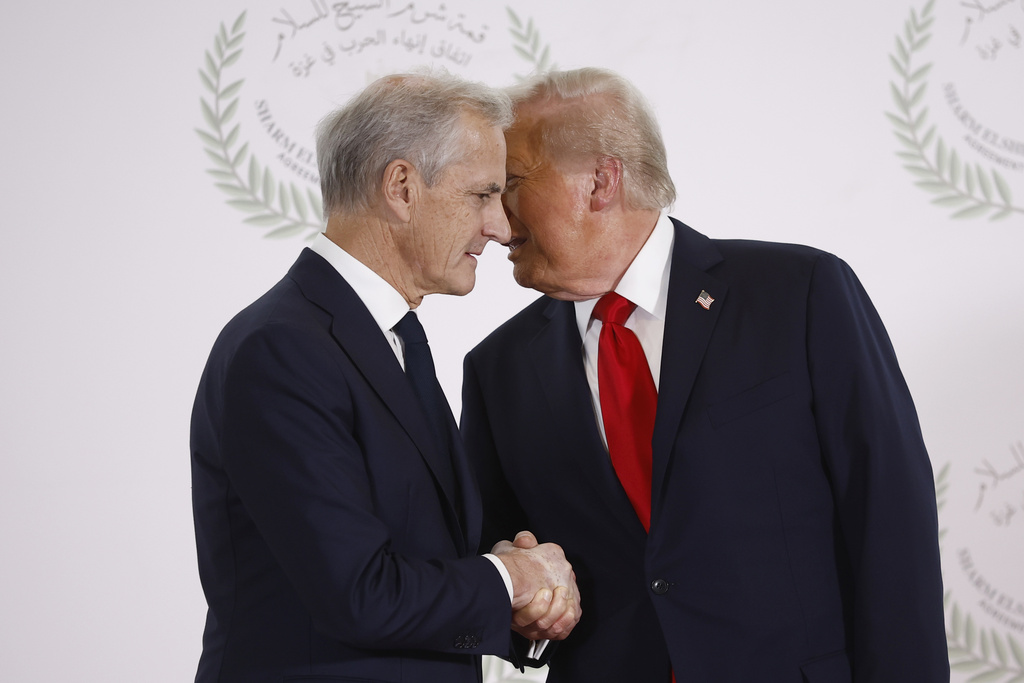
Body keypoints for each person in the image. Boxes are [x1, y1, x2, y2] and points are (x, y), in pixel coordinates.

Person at [461, 67, 949, 682]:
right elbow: (502, 564)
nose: (496, 219)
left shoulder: (799, 295)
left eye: (510, 183)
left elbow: (888, 517)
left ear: (601, 181)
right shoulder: (496, 368)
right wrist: (521, 595)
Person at [190, 72, 580, 683]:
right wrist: (510, 580)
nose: (501, 227)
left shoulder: (390, 337)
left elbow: (413, 556)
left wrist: (505, 576)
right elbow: (359, 593)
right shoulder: (283, 350)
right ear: (401, 187)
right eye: (482, 195)